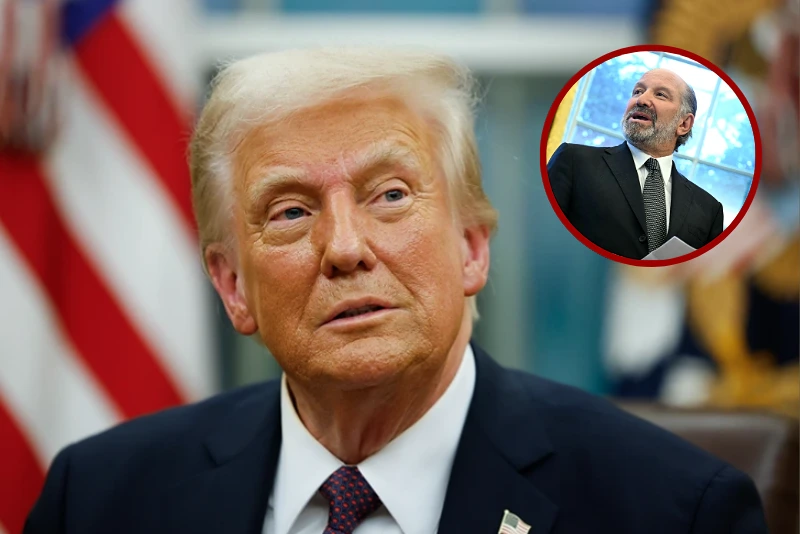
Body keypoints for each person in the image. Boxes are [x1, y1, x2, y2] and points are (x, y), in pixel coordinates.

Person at [25, 48, 765, 534]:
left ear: (472, 248)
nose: (345, 249)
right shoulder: (98, 502)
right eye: (290, 211)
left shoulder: (673, 512)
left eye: (388, 196)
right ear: (231, 286)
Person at [548, 68, 724, 260]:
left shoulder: (709, 210)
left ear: (684, 124)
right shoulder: (574, 161)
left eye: (660, 95)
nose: (641, 100)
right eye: (637, 92)